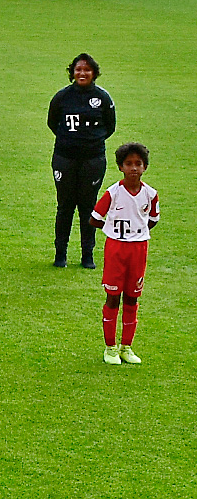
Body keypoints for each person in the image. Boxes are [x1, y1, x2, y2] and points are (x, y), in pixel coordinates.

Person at [92, 142, 158, 365]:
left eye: (138, 164)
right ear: (121, 166)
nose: (133, 168)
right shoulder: (113, 192)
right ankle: (110, 348)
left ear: (144, 167)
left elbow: (153, 220)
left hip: (138, 250)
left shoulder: (150, 194)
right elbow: (94, 219)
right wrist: (115, 231)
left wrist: (135, 233)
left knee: (132, 297)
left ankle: (126, 347)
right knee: (113, 298)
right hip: (116, 249)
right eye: (128, 164)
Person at [48, 52, 115, 269]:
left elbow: (110, 126)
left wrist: (90, 143)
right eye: (78, 69)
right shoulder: (62, 97)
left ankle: (87, 256)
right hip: (64, 159)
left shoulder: (103, 98)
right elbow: (52, 123)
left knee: (88, 206)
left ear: (94, 73)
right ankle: (61, 254)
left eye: (87, 69)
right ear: (72, 72)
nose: (82, 73)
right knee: (65, 206)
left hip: (92, 160)